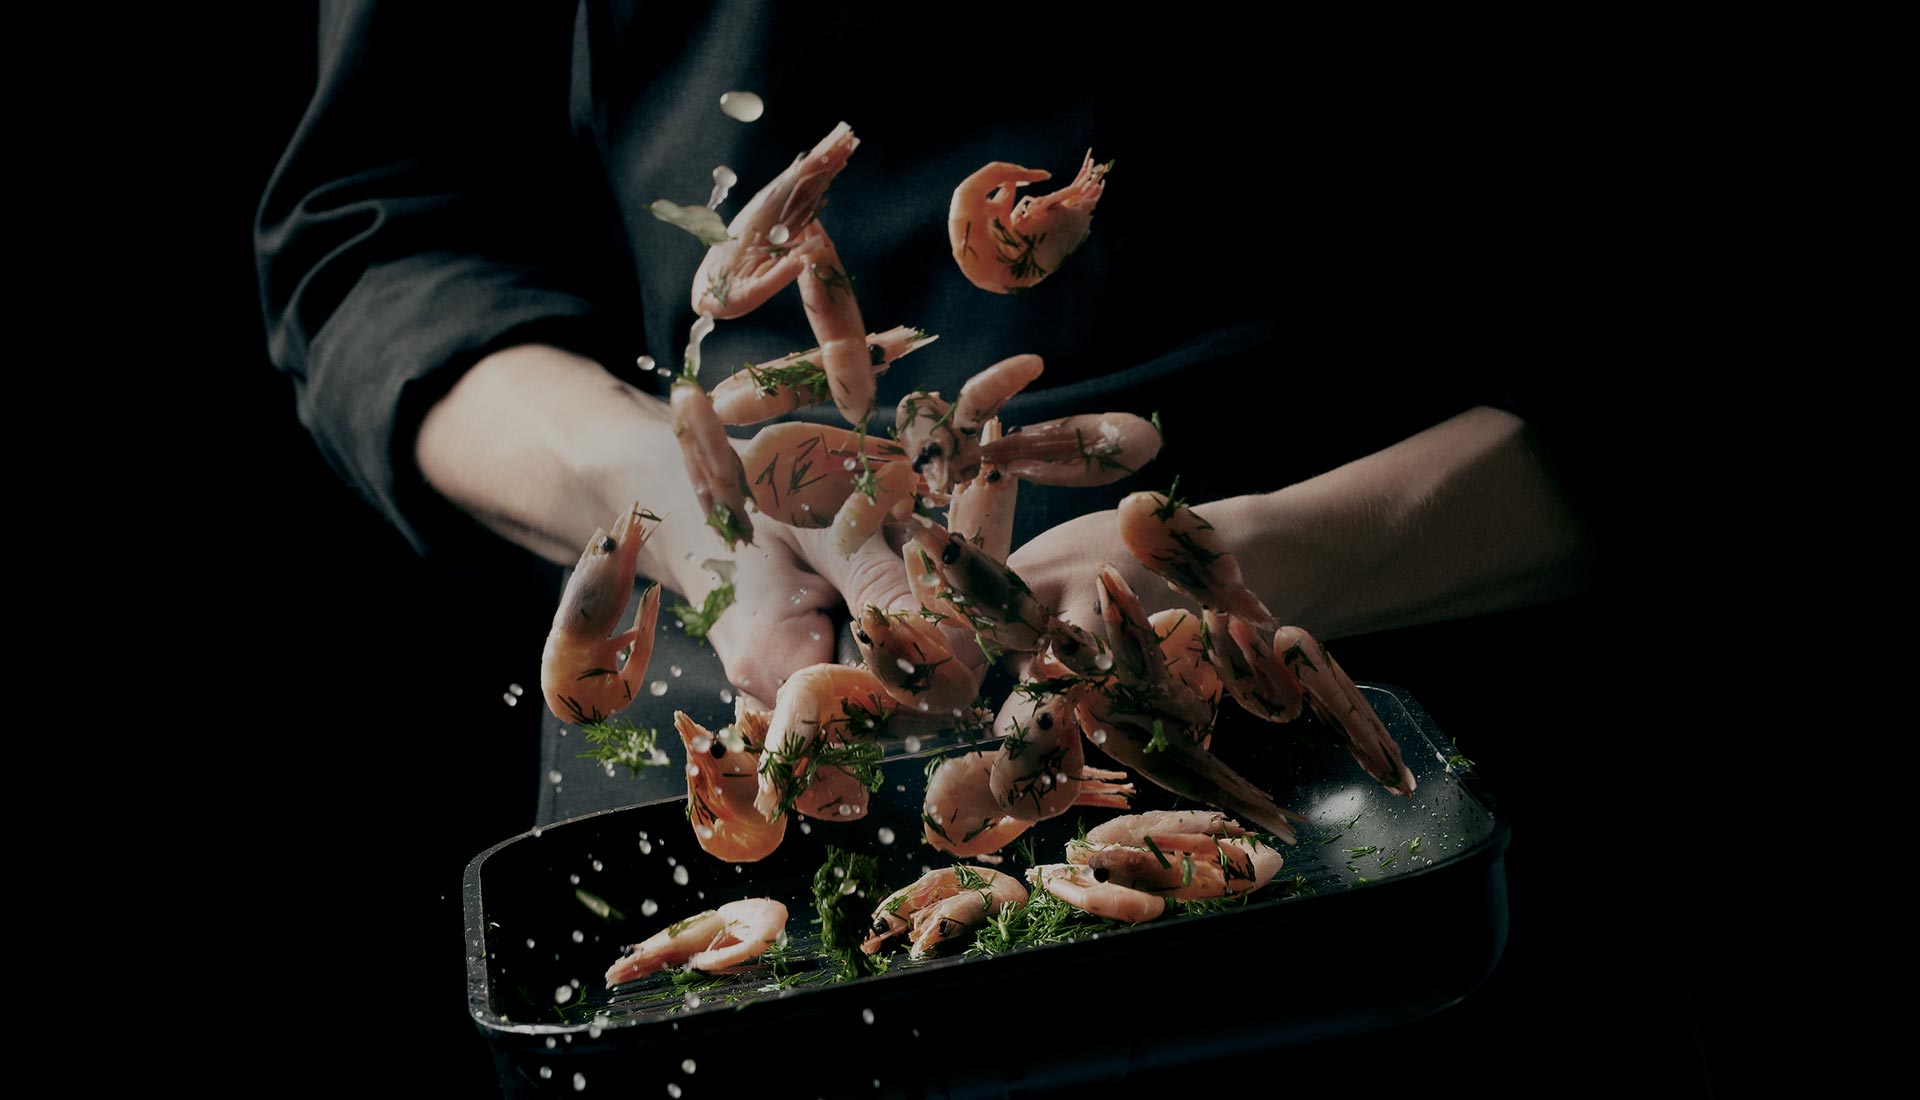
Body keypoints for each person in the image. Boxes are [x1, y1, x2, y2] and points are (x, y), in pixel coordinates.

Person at [259, 3, 1696, 1094]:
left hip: (1424, 760)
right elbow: (377, 238)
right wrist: (678, 492)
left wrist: (1245, 560)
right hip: (755, 732)